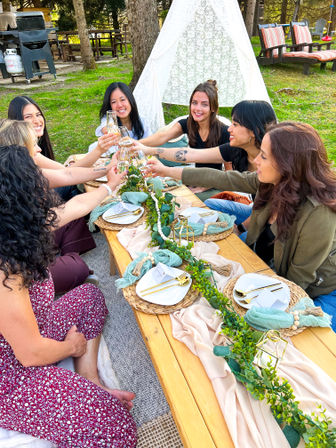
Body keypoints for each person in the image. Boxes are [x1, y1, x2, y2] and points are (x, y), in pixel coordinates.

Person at [0, 144, 137, 447]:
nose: (43, 182)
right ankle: (81, 386)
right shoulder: (4, 268)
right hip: (12, 373)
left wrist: (110, 185)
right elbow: (30, 353)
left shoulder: (18, 228)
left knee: (89, 294)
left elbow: (73, 208)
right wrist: (71, 347)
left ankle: (89, 378)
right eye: (34, 177)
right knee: (115, 428)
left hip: (37, 326)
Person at [146, 122, 336, 331]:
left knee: (311, 343)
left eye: (263, 156)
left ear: (287, 164)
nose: (255, 161)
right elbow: (225, 178)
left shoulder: (318, 214)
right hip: (271, 260)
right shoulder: (275, 181)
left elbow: (295, 283)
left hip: (321, 290)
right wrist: (167, 171)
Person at [0, 119, 117, 294]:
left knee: (74, 222)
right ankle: (64, 266)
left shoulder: (16, 176)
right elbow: (75, 205)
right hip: (22, 276)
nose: (39, 150)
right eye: (33, 145)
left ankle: (62, 261)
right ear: (19, 149)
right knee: (79, 269)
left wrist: (107, 169)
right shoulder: (15, 202)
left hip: (31, 246)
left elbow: (66, 174)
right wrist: (109, 186)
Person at [135, 100, 276, 225]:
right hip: (255, 209)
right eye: (194, 103)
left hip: (273, 222)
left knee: (237, 239)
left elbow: (266, 213)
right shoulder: (237, 149)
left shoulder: (275, 163)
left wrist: (239, 230)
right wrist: (149, 151)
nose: (229, 129)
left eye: (235, 124)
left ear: (254, 130)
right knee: (209, 205)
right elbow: (192, 155)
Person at [8, 95, 117, 200]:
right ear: (17, 121)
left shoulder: (25, 146)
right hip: (33, 207)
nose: (37, 120)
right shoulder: (27, 151)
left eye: (38, 114)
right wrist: (100, 153)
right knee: (75, 189)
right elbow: (67, 174)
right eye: (28, 117)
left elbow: (66, 172)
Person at [89, 81, 151, 156]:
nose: (119, 105)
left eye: (122, 100)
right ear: (110, 105)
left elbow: (150, 142)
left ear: (130, 100)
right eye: (114, 102)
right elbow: (107, 129)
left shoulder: (141, 121)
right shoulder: (109, 119)